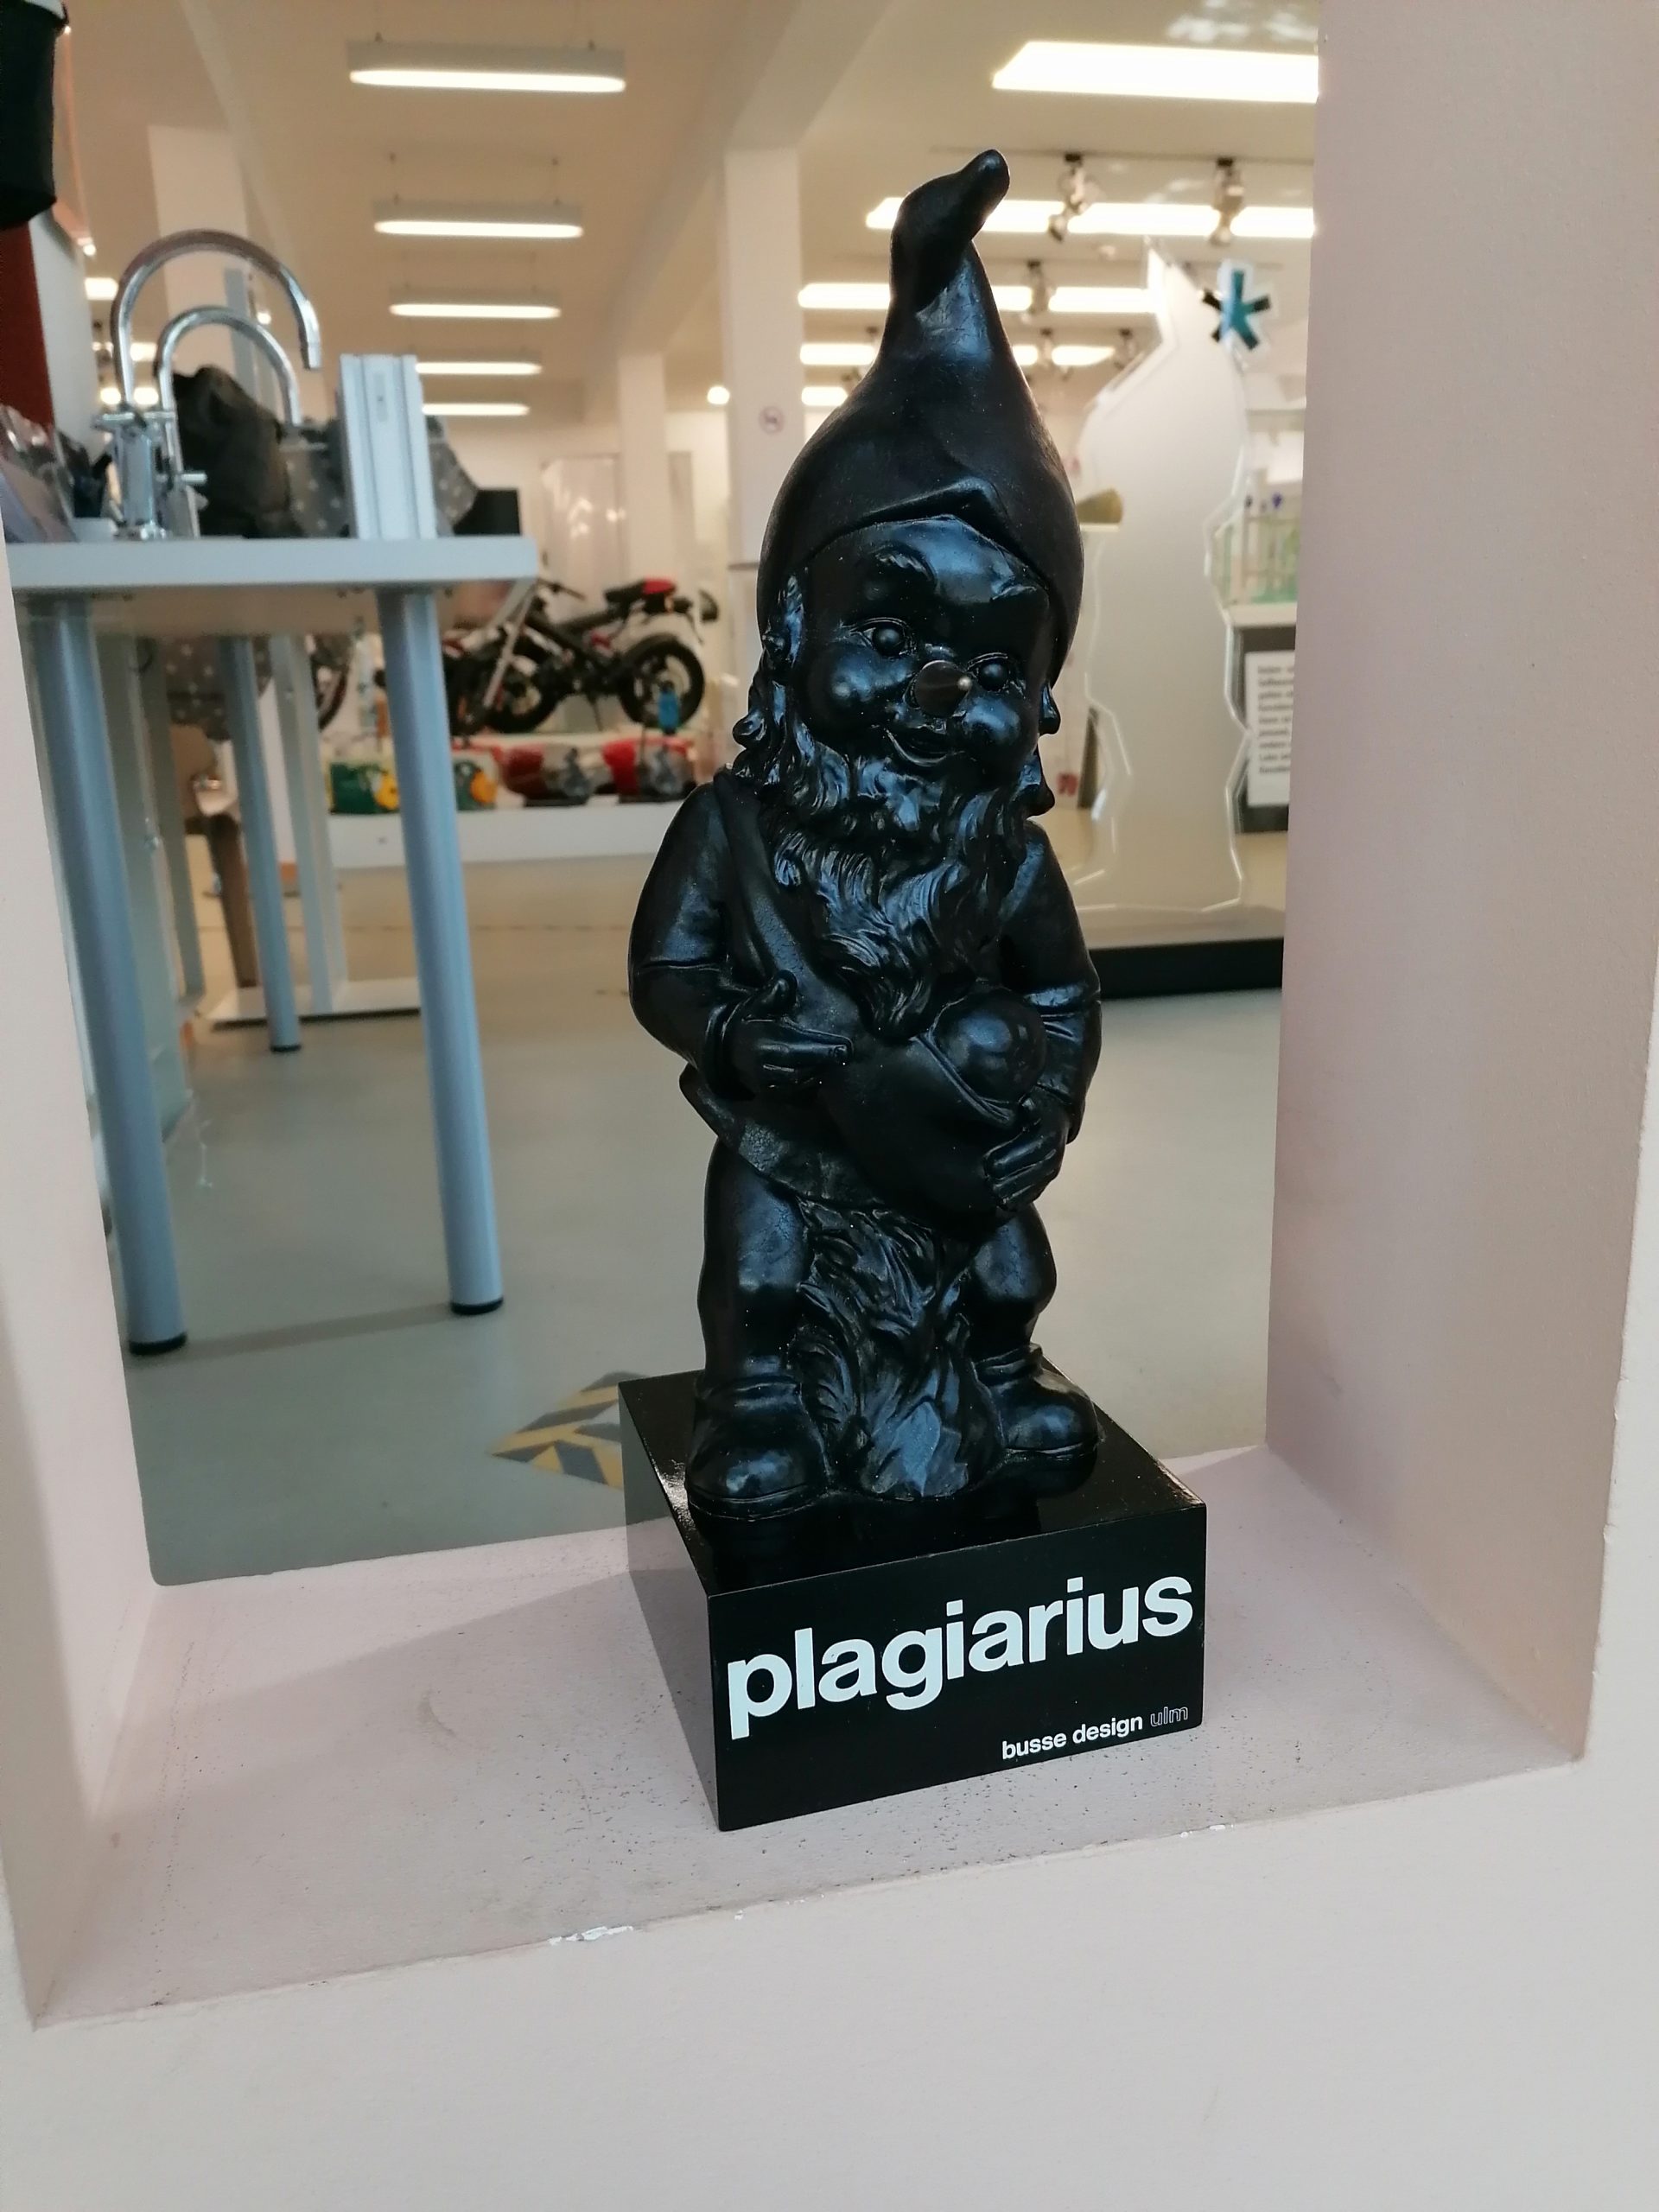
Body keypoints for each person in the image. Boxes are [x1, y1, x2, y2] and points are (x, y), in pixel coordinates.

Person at [630, 151, 1102, 1520]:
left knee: (1005, 1263)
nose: (938, 696)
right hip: (794, 1135)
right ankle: (760, 1401)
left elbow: (1062, 992)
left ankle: (997, 1372)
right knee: (760, 1261)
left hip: (947, 1145)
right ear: (794, 634)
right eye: (889, 638)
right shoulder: (732, 829)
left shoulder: (1005, 857)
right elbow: (666, 971)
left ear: (1040, 701)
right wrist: (732, 1036)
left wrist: (1047, 1107)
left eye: (993, 669)